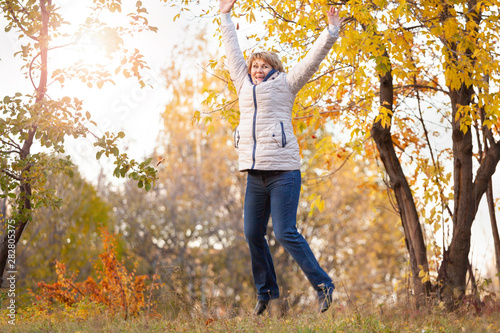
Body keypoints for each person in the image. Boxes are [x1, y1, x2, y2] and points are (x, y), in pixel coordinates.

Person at [219, 0, 344, 315]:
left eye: (263, 65)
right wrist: (224, 13)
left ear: (273, 68)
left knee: (285, 232)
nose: (257, 70)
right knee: (251, 233)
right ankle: (265, 292)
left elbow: (313, 60)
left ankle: (323, 285)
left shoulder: (287, 85)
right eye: (254, 66)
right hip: (254, 174)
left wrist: (330, 32)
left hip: (283, 172)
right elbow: (232, 51)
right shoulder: (243, 85)